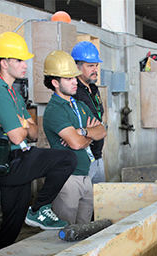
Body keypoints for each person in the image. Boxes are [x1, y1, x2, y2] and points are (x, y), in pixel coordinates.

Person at [0, 33, 77, 252]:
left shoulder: (12, 91)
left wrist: (22, 125)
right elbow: (17, 137)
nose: (25, 65)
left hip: (19, 160)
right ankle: (40, 208)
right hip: (10, 163)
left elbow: (33, 133)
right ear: (4, 64)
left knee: (12, 225)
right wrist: (23, 126)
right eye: (19, 61)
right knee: (67, 158)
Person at [42, 50, 107, 224]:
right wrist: (87, 135)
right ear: (55, 82)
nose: (74, 82)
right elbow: (77, 144)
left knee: (83, 232)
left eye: (74, 77)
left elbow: (102, 130)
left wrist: (83, 132)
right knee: (64, 233)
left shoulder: (78, 104)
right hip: (67, 179)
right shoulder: (54, 110)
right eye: (69, 79)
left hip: (85, 175)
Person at [71, 41, 106, 184]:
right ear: (77, 67)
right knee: (85, 202)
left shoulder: (94, 89)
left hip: (98, 156)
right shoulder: (74, 92)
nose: (95, 69)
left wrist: (96, 129)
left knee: (100, 200)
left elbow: (99, 122)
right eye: (90, 66)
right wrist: (89, 131)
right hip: (84, 157)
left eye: (96, 65)